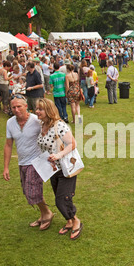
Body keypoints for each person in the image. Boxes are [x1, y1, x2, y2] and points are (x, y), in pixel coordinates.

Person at [35, 98, 83, 239]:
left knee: (61, 199)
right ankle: (69, 221)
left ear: (49, 111)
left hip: (66, 168)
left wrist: (58, 155)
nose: (37, 111)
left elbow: (72, 144)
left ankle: (76, 221)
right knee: (60, 196)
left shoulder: (60, 126)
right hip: (52, 169)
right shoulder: (41, 125)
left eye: (40, 109)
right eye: (36, 108)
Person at [4, 96, 55, 230]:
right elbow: (8, 145)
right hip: (22, 162)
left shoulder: (36, 120)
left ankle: (47, 214)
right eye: (13, 107)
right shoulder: (10, 123)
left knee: (32, 191)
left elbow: (51, 130)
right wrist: (6, 167)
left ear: (26, 106)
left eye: (19, 106)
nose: (16, 110)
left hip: (37, 161)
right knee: (28, 191)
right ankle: (44, 214)